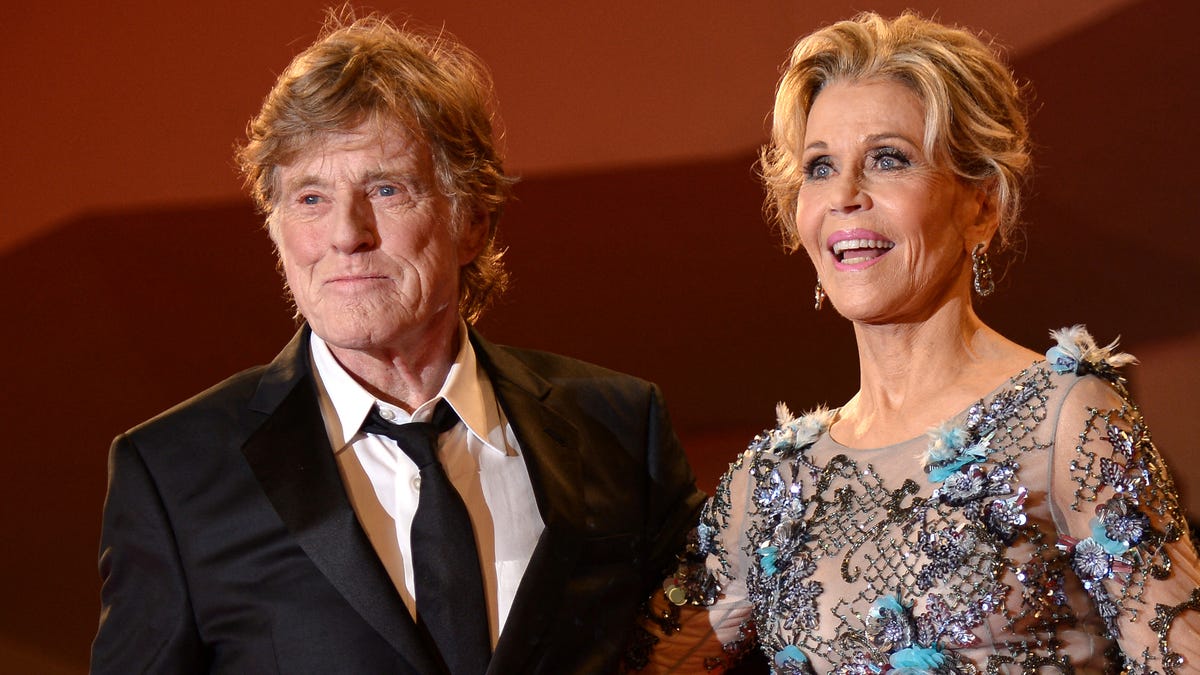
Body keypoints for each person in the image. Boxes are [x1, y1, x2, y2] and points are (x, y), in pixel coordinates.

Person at [91, 13, 705, 675]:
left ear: (471, 222)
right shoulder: (173, 473)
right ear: (276, 230)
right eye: (310, 197)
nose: (346, 234)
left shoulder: (616, 426)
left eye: (386, 189)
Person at [626, 12, 1200, 674]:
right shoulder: (774, 483)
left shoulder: (1063, 422)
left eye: (887, 159)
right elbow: (640, 661)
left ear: (980, 204)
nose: (844, 194)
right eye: (819, 167)